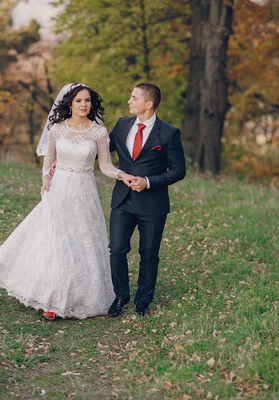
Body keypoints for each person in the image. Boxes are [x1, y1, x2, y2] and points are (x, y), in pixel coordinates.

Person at [0, 83, 135, 320]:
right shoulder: (57, 130)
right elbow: (49, 159)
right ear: (69, 104)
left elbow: (104, 166)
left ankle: (77, 295)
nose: (84, 105)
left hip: (84, 191)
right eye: (79, 101)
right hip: (59, 188)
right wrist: (45, 178)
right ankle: (52, 299)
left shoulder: (98, 133)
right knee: (56, 241)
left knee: (80, 241)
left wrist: (121, 174)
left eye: (87, 101)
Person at [107, 83, 186, 317]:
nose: (129, 101)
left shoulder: (169, 133)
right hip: (123, 200)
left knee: (149, 253)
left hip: (153, 204)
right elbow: (102, 152)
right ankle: (121, 295)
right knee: (117, 249)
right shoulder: (122, 125)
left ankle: (143, 302)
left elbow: (178, 170)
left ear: (148, 104)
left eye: (134, 97)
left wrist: (148, 181)